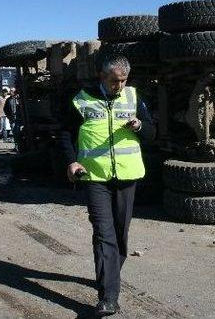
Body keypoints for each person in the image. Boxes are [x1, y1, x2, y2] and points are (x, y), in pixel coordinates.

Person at [58, 55, 155, 317]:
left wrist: (140, 125)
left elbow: (152, 133)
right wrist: (71, 162)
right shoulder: (81, 99)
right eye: (114, 81)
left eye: (123, 81)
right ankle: (108, 297)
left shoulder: (134, 97)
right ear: (102, 77)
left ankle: (109, 273)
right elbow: (66, 133)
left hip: (127, 176)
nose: (119, 86)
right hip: (95, 177)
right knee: (104, 233)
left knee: (121, 234)